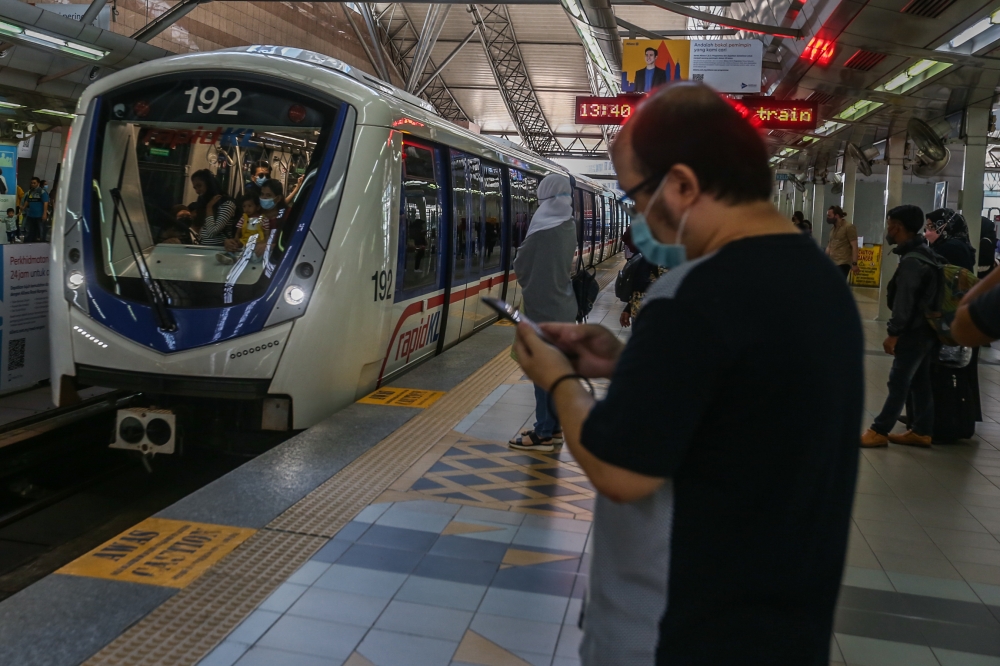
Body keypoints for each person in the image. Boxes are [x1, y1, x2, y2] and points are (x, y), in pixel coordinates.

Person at [513, 82, 862, 665]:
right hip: (782, 623)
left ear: (681, 185)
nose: (641, 213)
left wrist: (560, 381)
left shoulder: (693, 294)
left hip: (678, 631)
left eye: (637, 194)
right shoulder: (819, 282)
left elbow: (621, 470)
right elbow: (742, 403)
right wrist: (628, 364)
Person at [508, 173, 578, 453]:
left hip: (542, 311)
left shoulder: (542, 226)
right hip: (564, 306)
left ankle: (543, 434)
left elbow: (521, 266)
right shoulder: (568, 223)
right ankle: (555, 427)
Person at [861, 205, 941, 449]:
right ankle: (922, 431)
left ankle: (879, 430)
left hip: (913, 331)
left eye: (889, 225)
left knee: (899, 381)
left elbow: (905, 302)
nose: (888, 230)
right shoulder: (927, 253)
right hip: (929, 329)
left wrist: (893, 333)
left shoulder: (911, 262)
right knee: (920, 380)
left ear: (896, 227)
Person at [218, 195, 270, 264]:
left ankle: (238, 258)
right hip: (245, 239)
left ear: (257, 207)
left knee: (255, 249)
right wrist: (236, 239)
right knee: (235, 245)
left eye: (249, 206)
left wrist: (265, 242)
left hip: (258, 240)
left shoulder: (263, 218)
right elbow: (238, 231)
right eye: (244, 206)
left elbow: (267, 233)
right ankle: (230, 255)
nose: (246, 209)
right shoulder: (243, 218)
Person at [191, 169, 237, 247]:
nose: (197, 191)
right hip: (203, 247)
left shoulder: (227, 204)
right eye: (195, 188)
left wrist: (209, 208)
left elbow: (212, 232)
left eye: (199, 186)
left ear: (208, 184)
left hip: (219, 248)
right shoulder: (203, 202)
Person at [825, 205, 858, 278]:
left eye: (829, 216)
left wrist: (854, 263)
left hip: (843, 263)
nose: (828, 218)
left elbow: (854, 246)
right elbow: (829, 246)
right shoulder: (832, 229)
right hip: (832, 263)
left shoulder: (848, 227)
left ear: (836, 215)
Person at [22, 177, 48, 243]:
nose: (32, 184)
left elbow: (45, 203)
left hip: (40, 215)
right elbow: (28, 200)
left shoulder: (42, 192)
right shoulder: (30, 192)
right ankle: (28, 243)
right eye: (31, 183)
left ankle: (42, 244)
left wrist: (44, 213)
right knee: (30, 231)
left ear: (38, 183)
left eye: (34, 183)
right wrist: (23, 207)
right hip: (31, 215)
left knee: (41, 231)